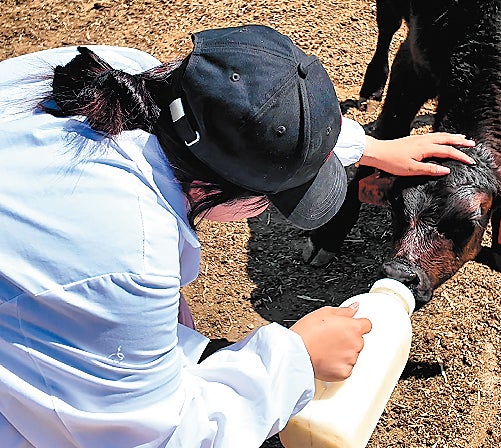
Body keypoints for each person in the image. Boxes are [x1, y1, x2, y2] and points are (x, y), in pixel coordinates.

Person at [0, 25, 475, 447]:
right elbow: (153, 437)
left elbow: (246, 113)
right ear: (212, 188)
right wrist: (294, 361)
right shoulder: (127, 264)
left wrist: (369, 147)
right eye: (273, 198)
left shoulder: (116, 73)